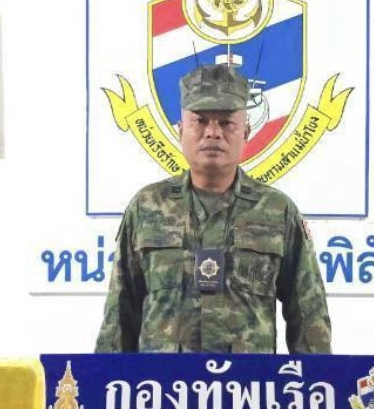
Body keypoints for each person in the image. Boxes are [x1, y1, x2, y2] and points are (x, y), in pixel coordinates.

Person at [95, 62, 331, 354]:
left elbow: (308, 316)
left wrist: (318, 378)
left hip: (248, 381)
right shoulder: (147, 207)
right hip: (162, 381)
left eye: (226, 123)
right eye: (201, 121)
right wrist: (104, 376)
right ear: (181, 130)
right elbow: (120, 315)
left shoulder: (277, 212)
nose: (213, 133)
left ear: (246, 132)